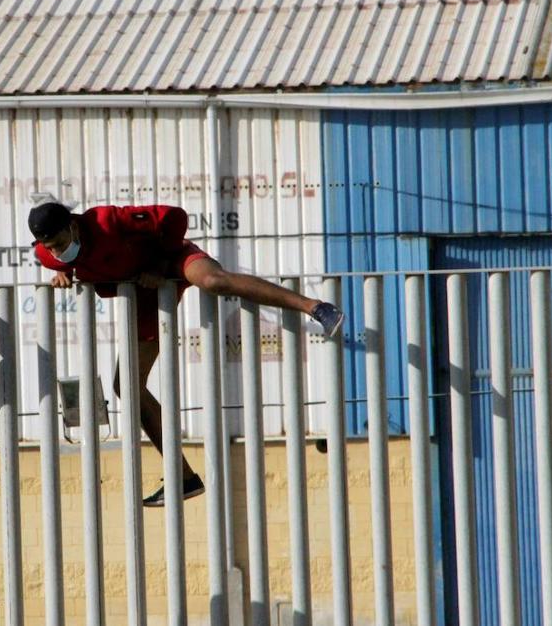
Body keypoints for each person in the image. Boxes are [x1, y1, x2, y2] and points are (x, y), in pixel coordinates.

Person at [28, 201, 344, 506]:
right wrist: (64, 271)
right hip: (144, 291)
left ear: (73, 225)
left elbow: (174, 216)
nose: (56, 252)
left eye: (60, 244)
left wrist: (160, 264)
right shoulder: (49, 256)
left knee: (213, 280)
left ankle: (316, 307)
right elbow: (67, 261)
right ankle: (184, 477)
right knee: (127, 386)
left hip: (171, 261)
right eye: (50, 248)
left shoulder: (106, 220)